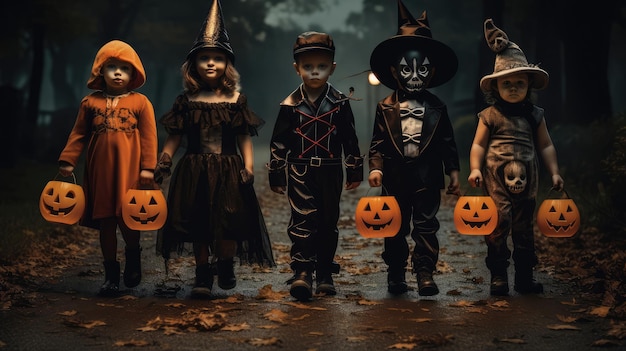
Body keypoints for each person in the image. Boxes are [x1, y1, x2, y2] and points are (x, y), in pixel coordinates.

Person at [154, 0, 275, 299]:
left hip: (228, 168)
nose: (210, 63)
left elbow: (244, 137)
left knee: (229, 221)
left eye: (217, 58)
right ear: (193, 64)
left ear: (227, 64)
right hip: (193, 169)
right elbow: (175, 136)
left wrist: (247, 166)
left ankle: (226, 263)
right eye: (204, 58)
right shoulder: (186, 101)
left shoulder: (236, 100)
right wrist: (166, 157)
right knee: (198, 224)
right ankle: (202, 273)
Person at [367, 0, 460, 297]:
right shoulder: (385, 107)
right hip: (394, 177)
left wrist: (454, 171)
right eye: (408, 69)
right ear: (395, 72)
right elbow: (378, 142)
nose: (415, 75)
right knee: (393, 226)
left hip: (428, 176)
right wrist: (376, 168)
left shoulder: (438, 107)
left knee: (426, 225)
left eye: (422, 70)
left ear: (431, 73)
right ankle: (396, 274)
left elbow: (447, 142)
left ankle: (424, 272)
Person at [468, 19, 564, 296]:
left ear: (529, 84)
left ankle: (524, 276)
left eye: (518, 83)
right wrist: (475, 168)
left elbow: (545, 145)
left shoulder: (534, 115)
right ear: (496, 87)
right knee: (498, 222)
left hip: (528, 174)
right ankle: (498, 275)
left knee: (523, 227)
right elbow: (477, 145)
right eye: (506, 83)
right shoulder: (490, 116)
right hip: (495, 175)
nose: (512, 88)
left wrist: (555, 171)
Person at [267, 31, 363, 302]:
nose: (315, 72)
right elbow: (279, 140)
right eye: (308, 67)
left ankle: (325, 273)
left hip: (332, 168)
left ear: (332, 68)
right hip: (299, 169)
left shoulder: (341, 103)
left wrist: (354, 168)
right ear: (297, 69)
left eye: (321, 66)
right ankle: (302, 272)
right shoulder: (289, 105)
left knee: (328, 221)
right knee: (302, 221)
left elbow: (349, 137)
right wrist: (276, 172)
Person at [58, 40, 158, 297]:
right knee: (106, 222)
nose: (117, 72)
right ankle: (111, 275)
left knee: (129, 220)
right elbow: (78, 134)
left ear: (133, 73)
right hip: (100, 171)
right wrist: (68, 160)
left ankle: (133, 259)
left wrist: (148, 168)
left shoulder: (140, 103)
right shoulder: (90, 103)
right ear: (100, 71)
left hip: (130, 172)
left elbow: (149, 137)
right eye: (111, 66)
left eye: (124, 68)